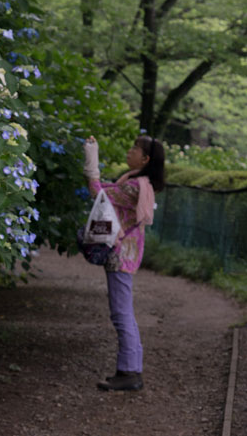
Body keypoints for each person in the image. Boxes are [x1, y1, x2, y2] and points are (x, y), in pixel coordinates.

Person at [83, 134, 165, 392]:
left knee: (122, 314)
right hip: (128, 253)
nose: (129, 152)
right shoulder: (138, 183)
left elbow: (98, 193)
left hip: (121, 255)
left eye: (134, 148)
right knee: (124, 312)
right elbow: (105, 191)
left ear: (145, 158)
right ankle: (131, 370)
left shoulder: (135, 186)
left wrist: (91, 159)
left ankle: (129, 372)